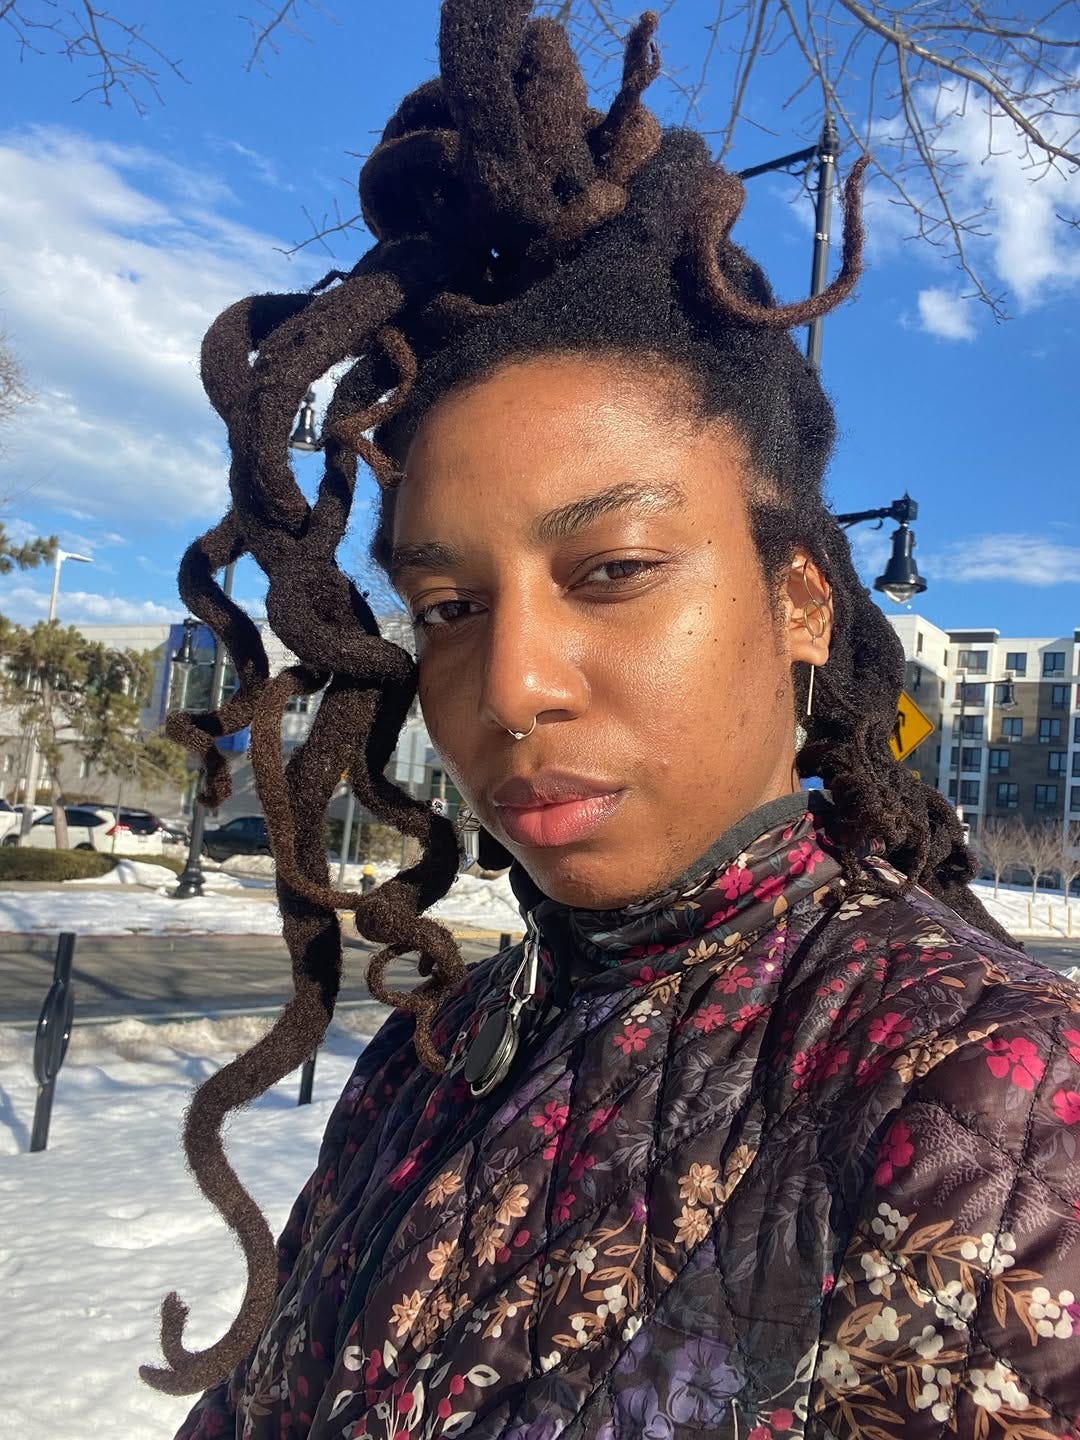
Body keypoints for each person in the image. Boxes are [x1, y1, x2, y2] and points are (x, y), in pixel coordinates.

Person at [144, 3, 1080, 1435]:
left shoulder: (985, 1104)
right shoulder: (432, 1054)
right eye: (449, 606)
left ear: (805, 602)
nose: (510, 687)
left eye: (616, 571)